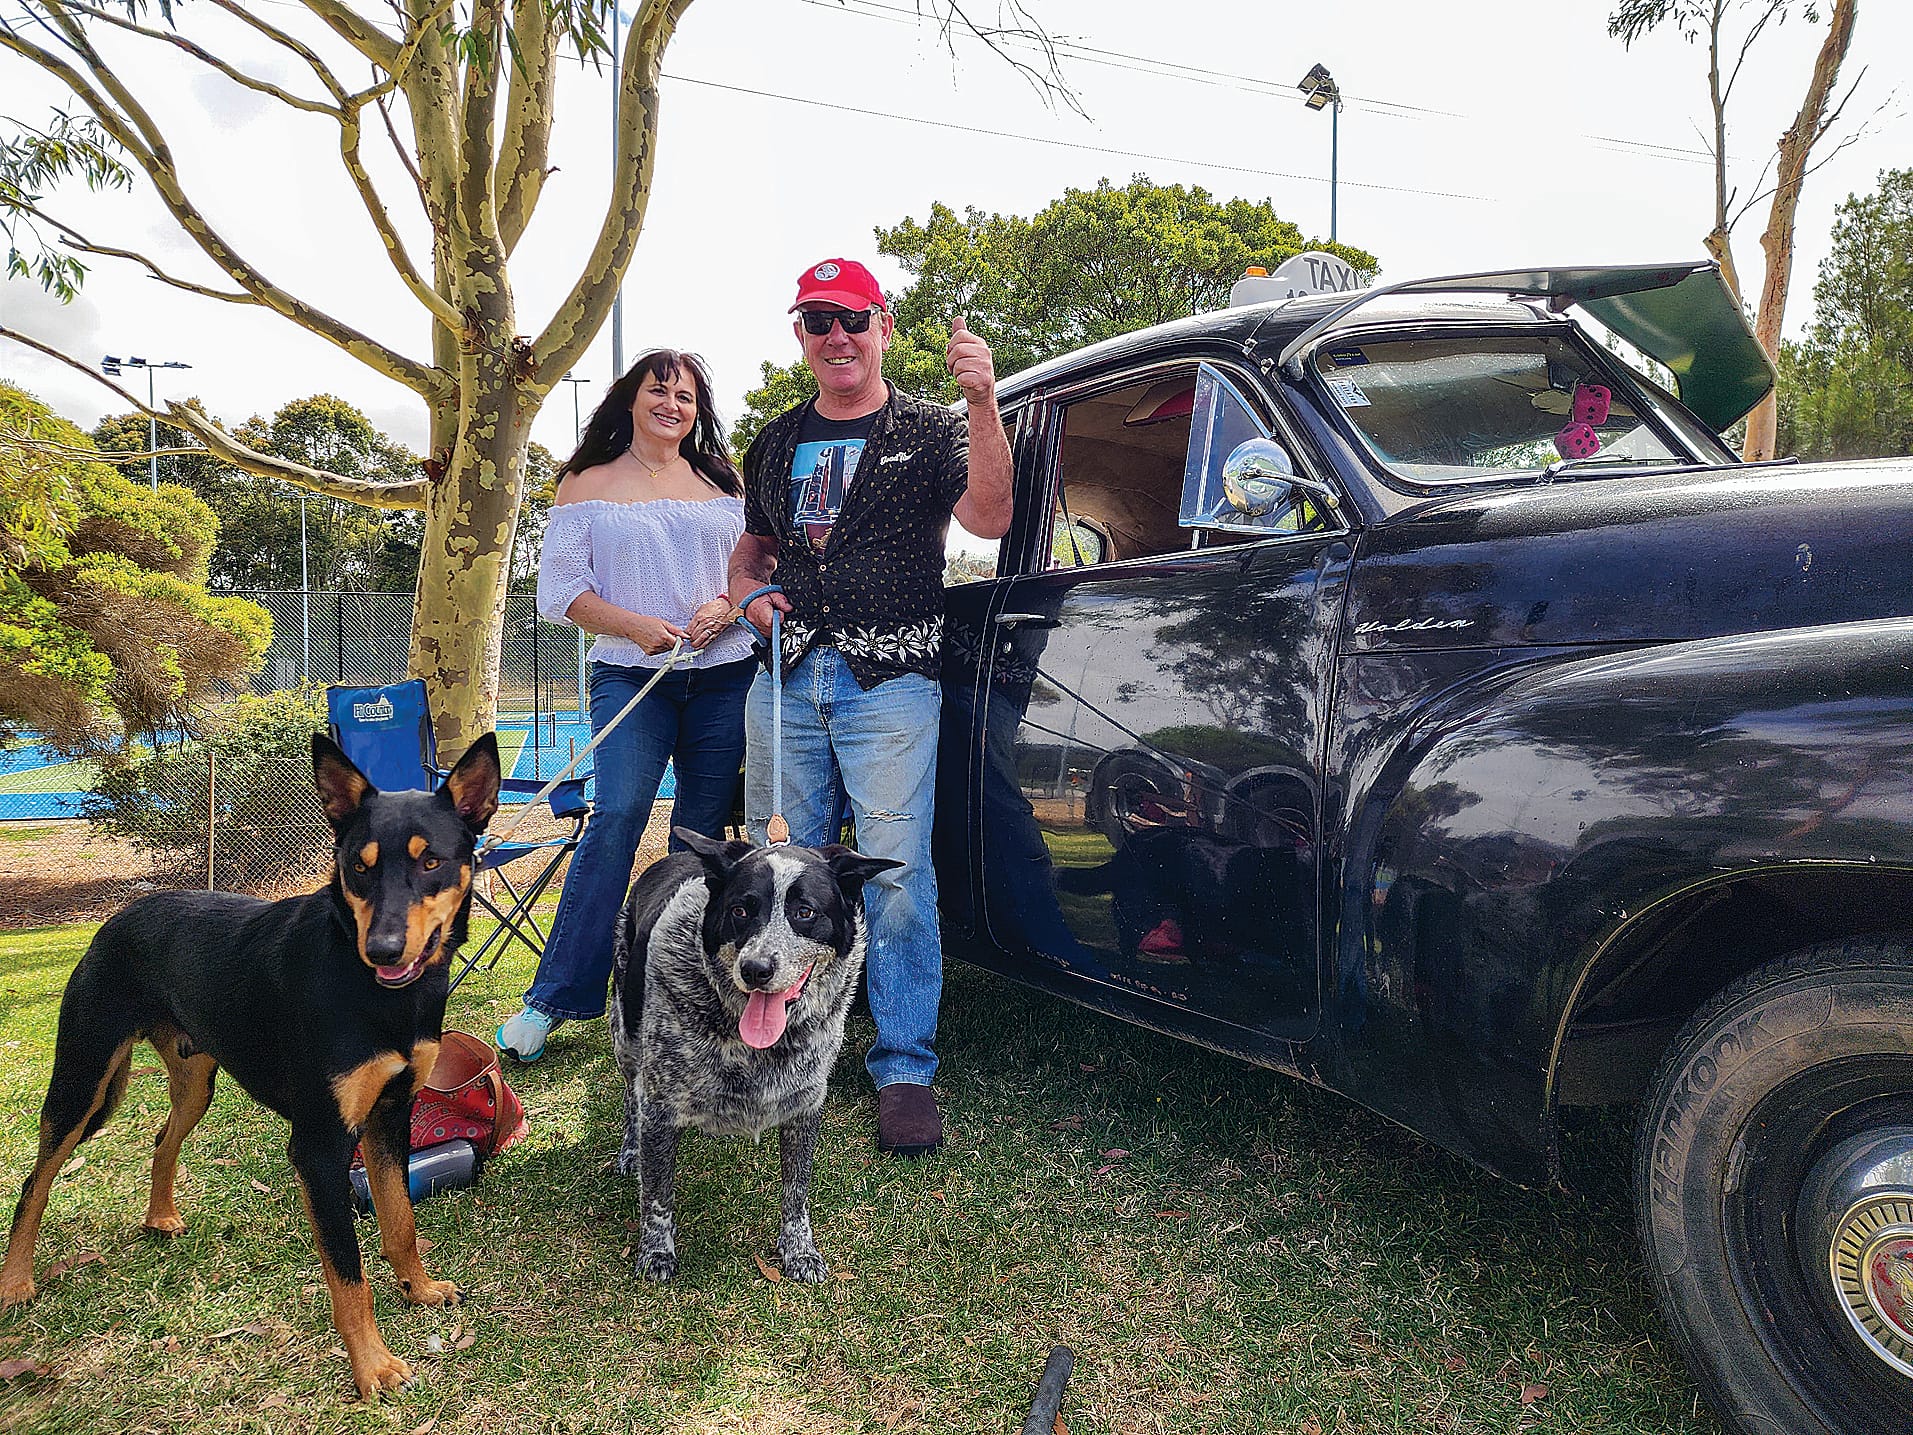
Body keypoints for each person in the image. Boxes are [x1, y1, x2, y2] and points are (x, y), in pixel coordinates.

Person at [727, 257, 1013, 1156]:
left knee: (891, 874)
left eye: (852, 317)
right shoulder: (773, 440)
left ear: (883, 324)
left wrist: (982, 401)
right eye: (817, 321)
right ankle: (787, 1043)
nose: (836, 336)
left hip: (888, 684)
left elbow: (992, 518)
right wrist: (746, 596)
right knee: (777, 870)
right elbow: (753, 551)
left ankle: (902, 1067)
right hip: (784, 677)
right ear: (800, 336)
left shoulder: (931, 426)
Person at [497, 350, 754, 1062]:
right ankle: (551, 1000)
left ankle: (683, 990)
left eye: (686, 394)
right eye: (658, 389)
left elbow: (754, 568)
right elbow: (560, 592)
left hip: (725, 675)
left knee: (700, 836)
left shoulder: (722, 481)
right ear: (630, 399)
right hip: (628, 675)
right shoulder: (584, 484)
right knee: (615, 818)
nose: (672, 402)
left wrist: (726, 604)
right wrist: (634, 625)